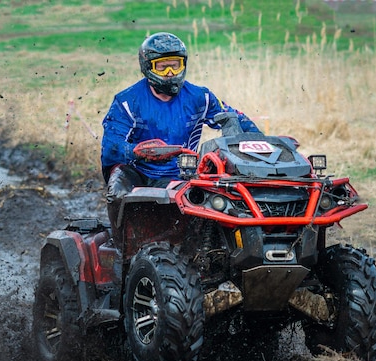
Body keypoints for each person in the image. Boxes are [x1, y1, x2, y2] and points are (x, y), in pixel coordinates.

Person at [101, 31, 261, 247]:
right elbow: (111, 146)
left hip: (183, 172)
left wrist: (260, 141)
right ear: (147, 67)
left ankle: (201, 248)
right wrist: (136, 152)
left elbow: (234, 117)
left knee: (217, 200)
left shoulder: (200, 97)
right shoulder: (127, 101)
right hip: (138, 171)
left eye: (175, 66)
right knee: (116, 189)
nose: (169, 73)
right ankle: (121, 248)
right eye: (162, 67)